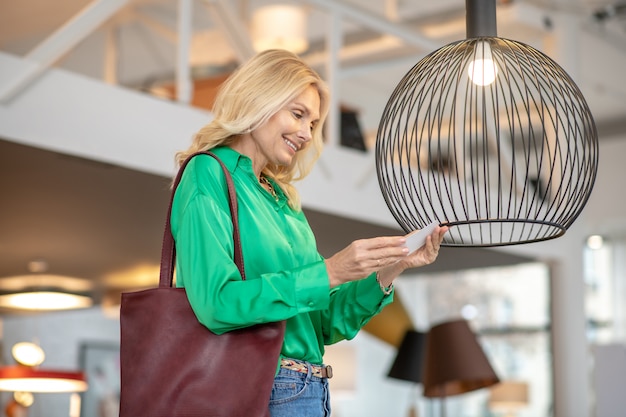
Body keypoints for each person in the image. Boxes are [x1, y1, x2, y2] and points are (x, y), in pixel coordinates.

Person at [170, 49, 448, 417]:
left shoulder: (282, 199)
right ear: (258, 100)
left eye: (313, 124)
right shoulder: (208, 173)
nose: (305, 134)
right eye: (298, 114)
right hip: (260, 387)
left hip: (310, 390)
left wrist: (391, 268)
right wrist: (330, 271)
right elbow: (216, 303)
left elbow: (325, 324)